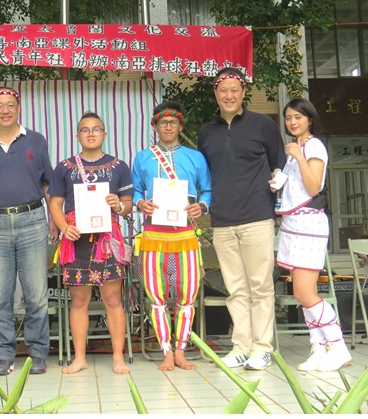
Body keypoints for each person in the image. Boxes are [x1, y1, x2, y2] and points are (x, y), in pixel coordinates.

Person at [198, 67, 286, 370]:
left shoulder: (263, 124)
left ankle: (262, 348)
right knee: (234, 288)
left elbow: (279, 163)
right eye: (223, 90)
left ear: (244, 92)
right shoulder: (207, 132)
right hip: (222, 220)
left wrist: (277, 180)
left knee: (260, 285)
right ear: (215, 93)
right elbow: (205, 176)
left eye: (234, 90)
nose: (229, 95)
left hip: (257, 217)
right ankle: (241, 346)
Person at [0, 86, 59, 376]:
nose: (5, 110)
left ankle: (37, 353)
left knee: (36, 294)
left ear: (18, 108)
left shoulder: (36, 140)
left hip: (32, 220)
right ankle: (3, 354)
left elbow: (47, 183)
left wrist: (53, 217)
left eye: (10, 105)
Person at [48, 112, 133, 374]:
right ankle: (80, 358)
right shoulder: (64, 167)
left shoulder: (119, 166)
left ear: (104, 134)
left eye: (96, 129)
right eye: (85, 130)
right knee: (79, 300)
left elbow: (127, 206)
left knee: (113, 299)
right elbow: (55, 204)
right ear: (77, 136)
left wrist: (118, 206)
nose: (91, 133)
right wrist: (65, 228)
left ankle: (118, 357)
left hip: (108, 240)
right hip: (76, 240)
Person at [132, 101, 212, 371]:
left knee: (187, 296)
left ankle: (181, 350)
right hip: (153, 235)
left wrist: (202, 206)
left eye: (173, 122)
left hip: (185, 235)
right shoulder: (143, 157)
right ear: (154, 126)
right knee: (156, 297)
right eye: (163, 122)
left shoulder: (195, 157)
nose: (168, 127)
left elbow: (207, 191)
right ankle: (166, 350)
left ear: (180, 125)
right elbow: (135, 191)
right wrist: (139, 203)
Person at [274, 98, 352, 371]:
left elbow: (314, 187)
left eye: (298, 117)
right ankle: (318, 349)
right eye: (288, 117)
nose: (292, 122)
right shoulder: (297, 148)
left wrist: (298, 157)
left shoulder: (313, 146)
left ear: (309, 119)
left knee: (306, 293)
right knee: (302, 293)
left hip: (308, 225)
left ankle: (337, 346)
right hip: (293, 225)